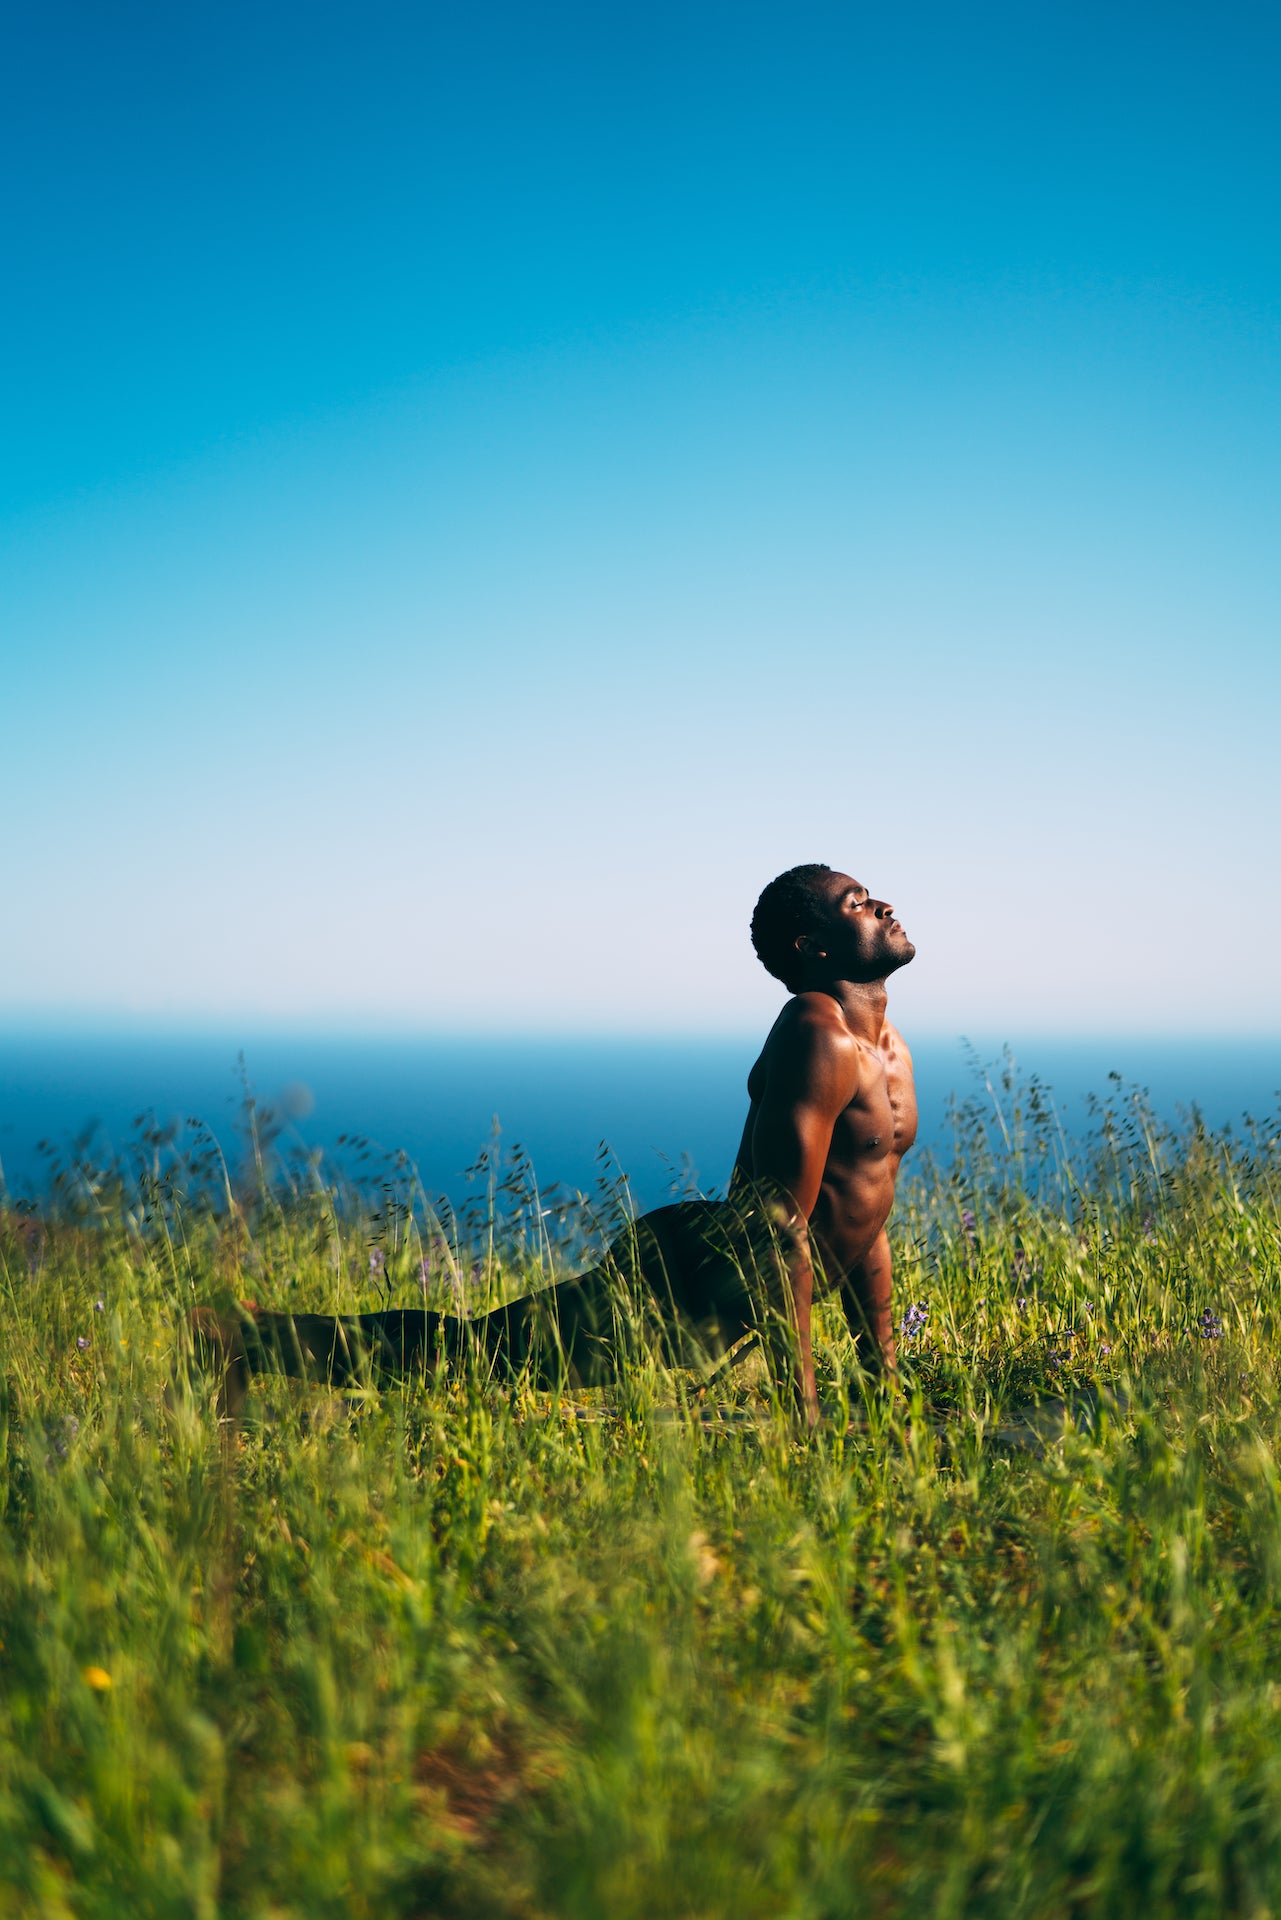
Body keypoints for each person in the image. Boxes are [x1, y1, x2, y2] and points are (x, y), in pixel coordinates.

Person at [194, 864, 917, 1426]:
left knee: (480, 1353)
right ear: (813, 946)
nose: (881, 905)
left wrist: (880, 1373)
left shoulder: (889, 1050)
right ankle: (248, 1337)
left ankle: (252, 1337)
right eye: (855, 902)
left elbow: (863, 1213)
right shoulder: (815, 1035)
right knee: (475, 1358)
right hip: (688, 1278)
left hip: (732, 1281)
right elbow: (777, 1233)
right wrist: (805, 1416)